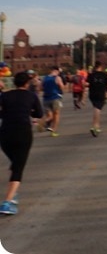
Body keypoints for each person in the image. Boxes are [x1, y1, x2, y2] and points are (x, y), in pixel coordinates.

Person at [0, 71, 44, 215]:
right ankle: (6, 202)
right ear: (27, 83)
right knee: (18, 168)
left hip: (5, 133)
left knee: (15, 164)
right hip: (23, 132)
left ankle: (13, 196)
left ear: (14, 82)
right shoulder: (31, 96)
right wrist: (28, 111)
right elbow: (39, 114)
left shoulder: (5, 96)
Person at [86, 61, 107, 137]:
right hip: (100, 93)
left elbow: (86, 83)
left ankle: (97, 126)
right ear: (101, 67)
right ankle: (95, 126)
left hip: (92, 94)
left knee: (96, 108)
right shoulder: (104, 75)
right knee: (97, 110)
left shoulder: (91, 75)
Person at [40, 66, 65, 137]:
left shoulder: (45, 78)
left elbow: (41, 87)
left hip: (46, 98)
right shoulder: (57, 78)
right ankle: (54, 131)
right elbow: (62, 87)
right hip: (55, 97)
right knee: (56, 114)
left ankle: (43, 122)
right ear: (57, 71)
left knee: (49, 115)